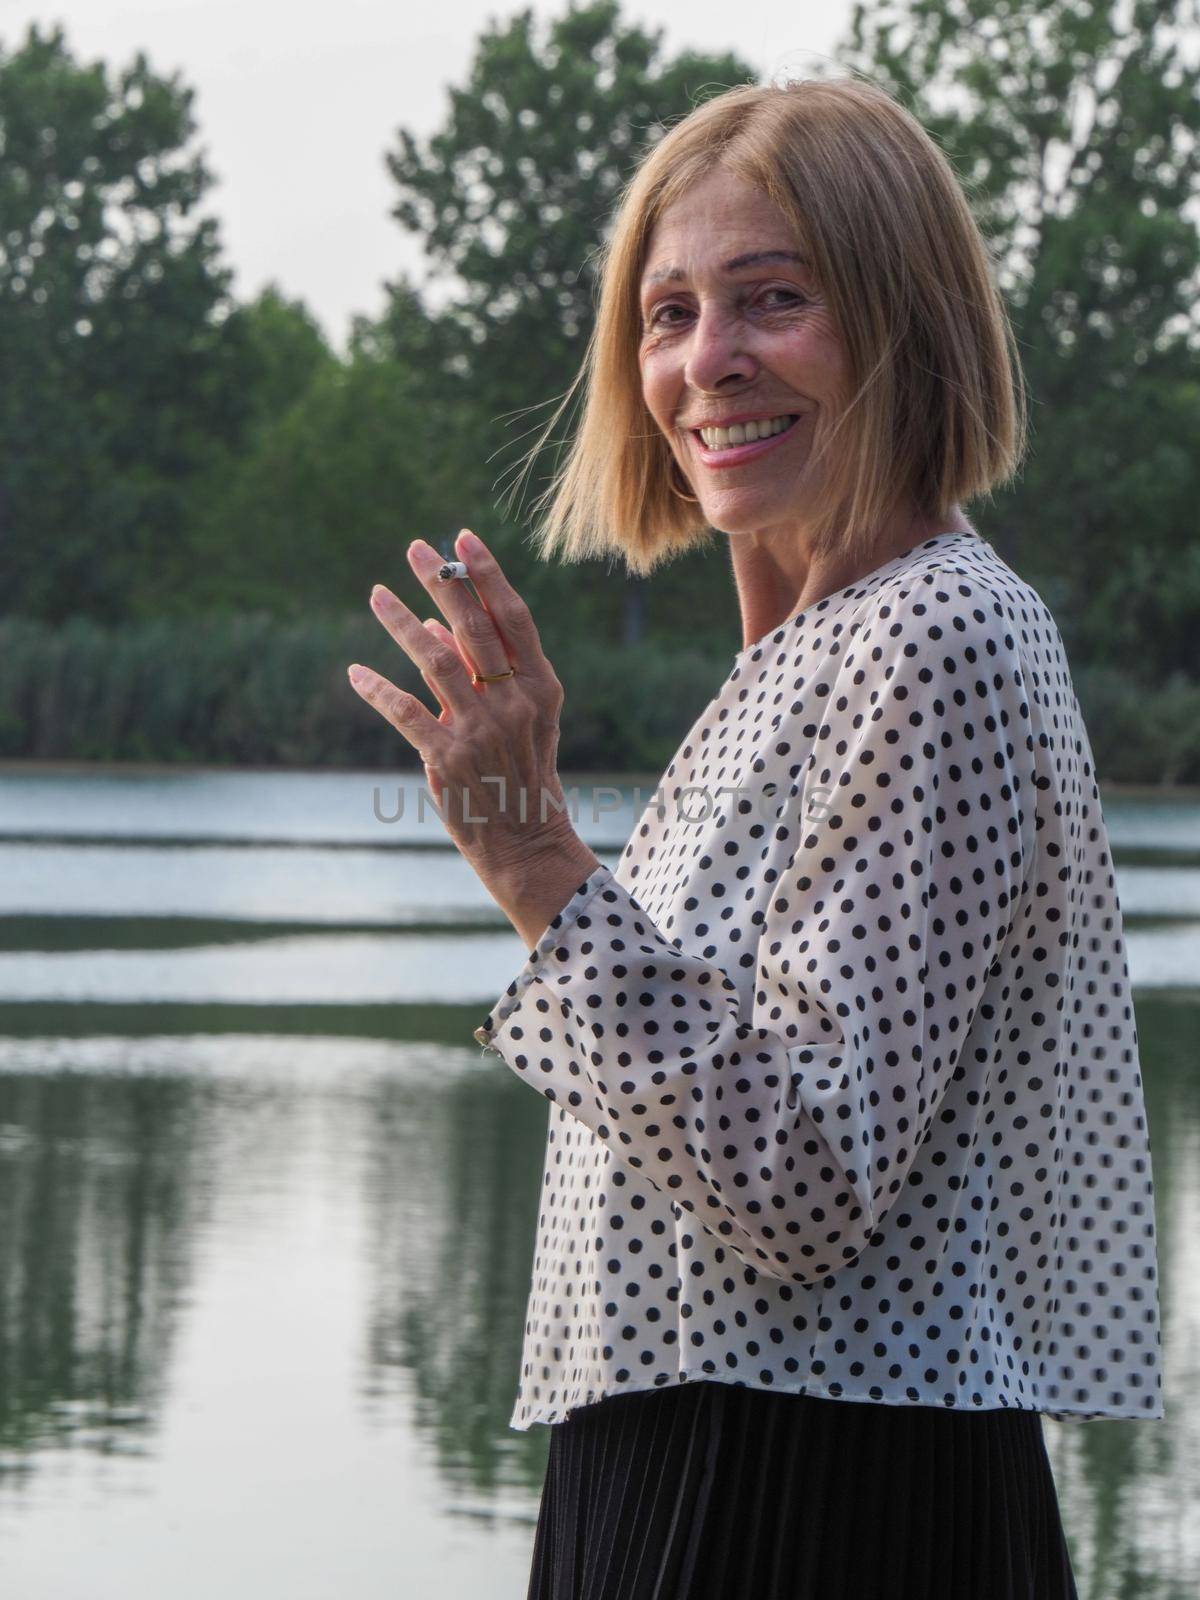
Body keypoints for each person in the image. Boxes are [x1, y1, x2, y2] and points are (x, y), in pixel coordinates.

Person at [347, 76, 1164, 1600]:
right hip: (701, 1458)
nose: (706, 362)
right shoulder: (805, 657)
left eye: (771, 300)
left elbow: (799, 1175)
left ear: (900, 325)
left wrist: (536, 866)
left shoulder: (937, 634)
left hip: (820, 1495)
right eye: (666, 316)